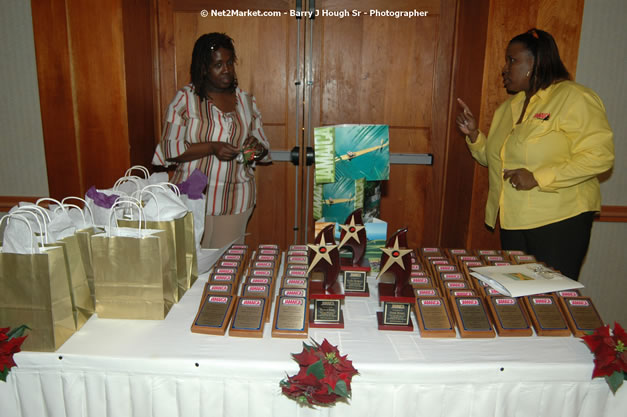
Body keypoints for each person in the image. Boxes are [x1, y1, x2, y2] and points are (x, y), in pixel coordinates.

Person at [456, 28, 614, 280]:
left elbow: (600, 156)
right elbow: (495, 160)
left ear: (536, 62)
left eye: (512, 60)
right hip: (513, 222)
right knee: (521, 302)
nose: (504, 68)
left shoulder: (574, 97)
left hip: (559, 221)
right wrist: (474, 135)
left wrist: (539, 177)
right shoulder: (508, 108)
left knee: (551, 303)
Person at [153, 33, 270, 248]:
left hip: (236, 198)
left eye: (229, 63)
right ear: (204, 68)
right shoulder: (185, 99)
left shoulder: (245, 100)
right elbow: (169, 149)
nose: (226, 69)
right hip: (191, 198)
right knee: (191, 265)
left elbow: (261, 148)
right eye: (218, 65)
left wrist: (255, 149)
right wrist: (211, 147)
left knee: (227, 266)